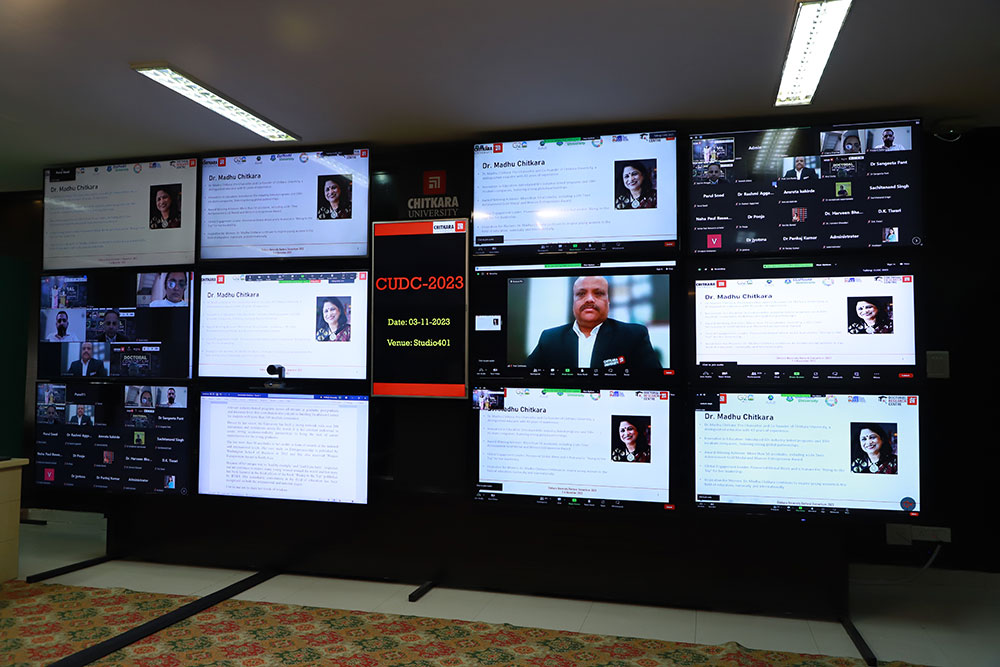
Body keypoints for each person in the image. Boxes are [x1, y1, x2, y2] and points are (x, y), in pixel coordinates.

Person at [526, 276, 660, 370]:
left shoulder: (634, 336)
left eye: (598, 293)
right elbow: (524, 378)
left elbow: (655, 382)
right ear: (573, 301)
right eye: (581, 294)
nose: (589, 299)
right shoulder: (550, 338)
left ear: (608, 301)